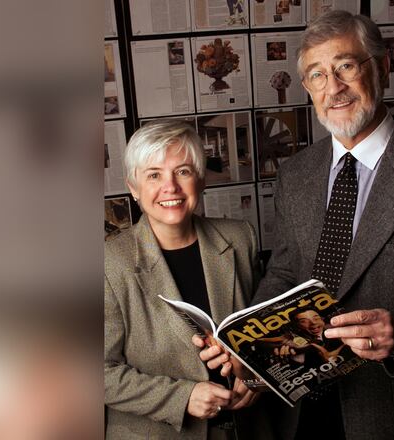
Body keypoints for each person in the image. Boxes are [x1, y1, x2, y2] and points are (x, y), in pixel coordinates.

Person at [196, 10, 394, 440]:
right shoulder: (296, 173)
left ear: (383, 68)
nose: (333, 87)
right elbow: (284, 272)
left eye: (346, 66)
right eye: (317, 75)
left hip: (393, 410)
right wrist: (246, 345)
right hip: (300, 408)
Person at [104, 120, 271, 440]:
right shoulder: (108, 263)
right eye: (154, 175)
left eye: (182, 171)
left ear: (201, 179)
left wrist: (257, 375)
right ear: (133, 187)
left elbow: (264, 332)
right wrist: (181, 398)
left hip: (246, 428)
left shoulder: (240, 238)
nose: (170, 187)